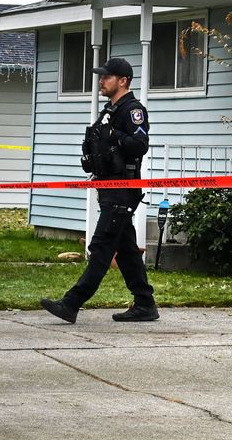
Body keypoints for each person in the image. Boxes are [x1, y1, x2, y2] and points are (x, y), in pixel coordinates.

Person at [41, 58, 159, 323]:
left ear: (123, 81)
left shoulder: (132, 110)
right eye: (101, 76)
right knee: (127, 249)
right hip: (108, 189)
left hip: (122, 190)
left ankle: (71, 304)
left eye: (106, 77)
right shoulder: (110, 110)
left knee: (102, 247)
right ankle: (145, 304)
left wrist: (114, 135)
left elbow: (140, 145)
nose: (101, 81)